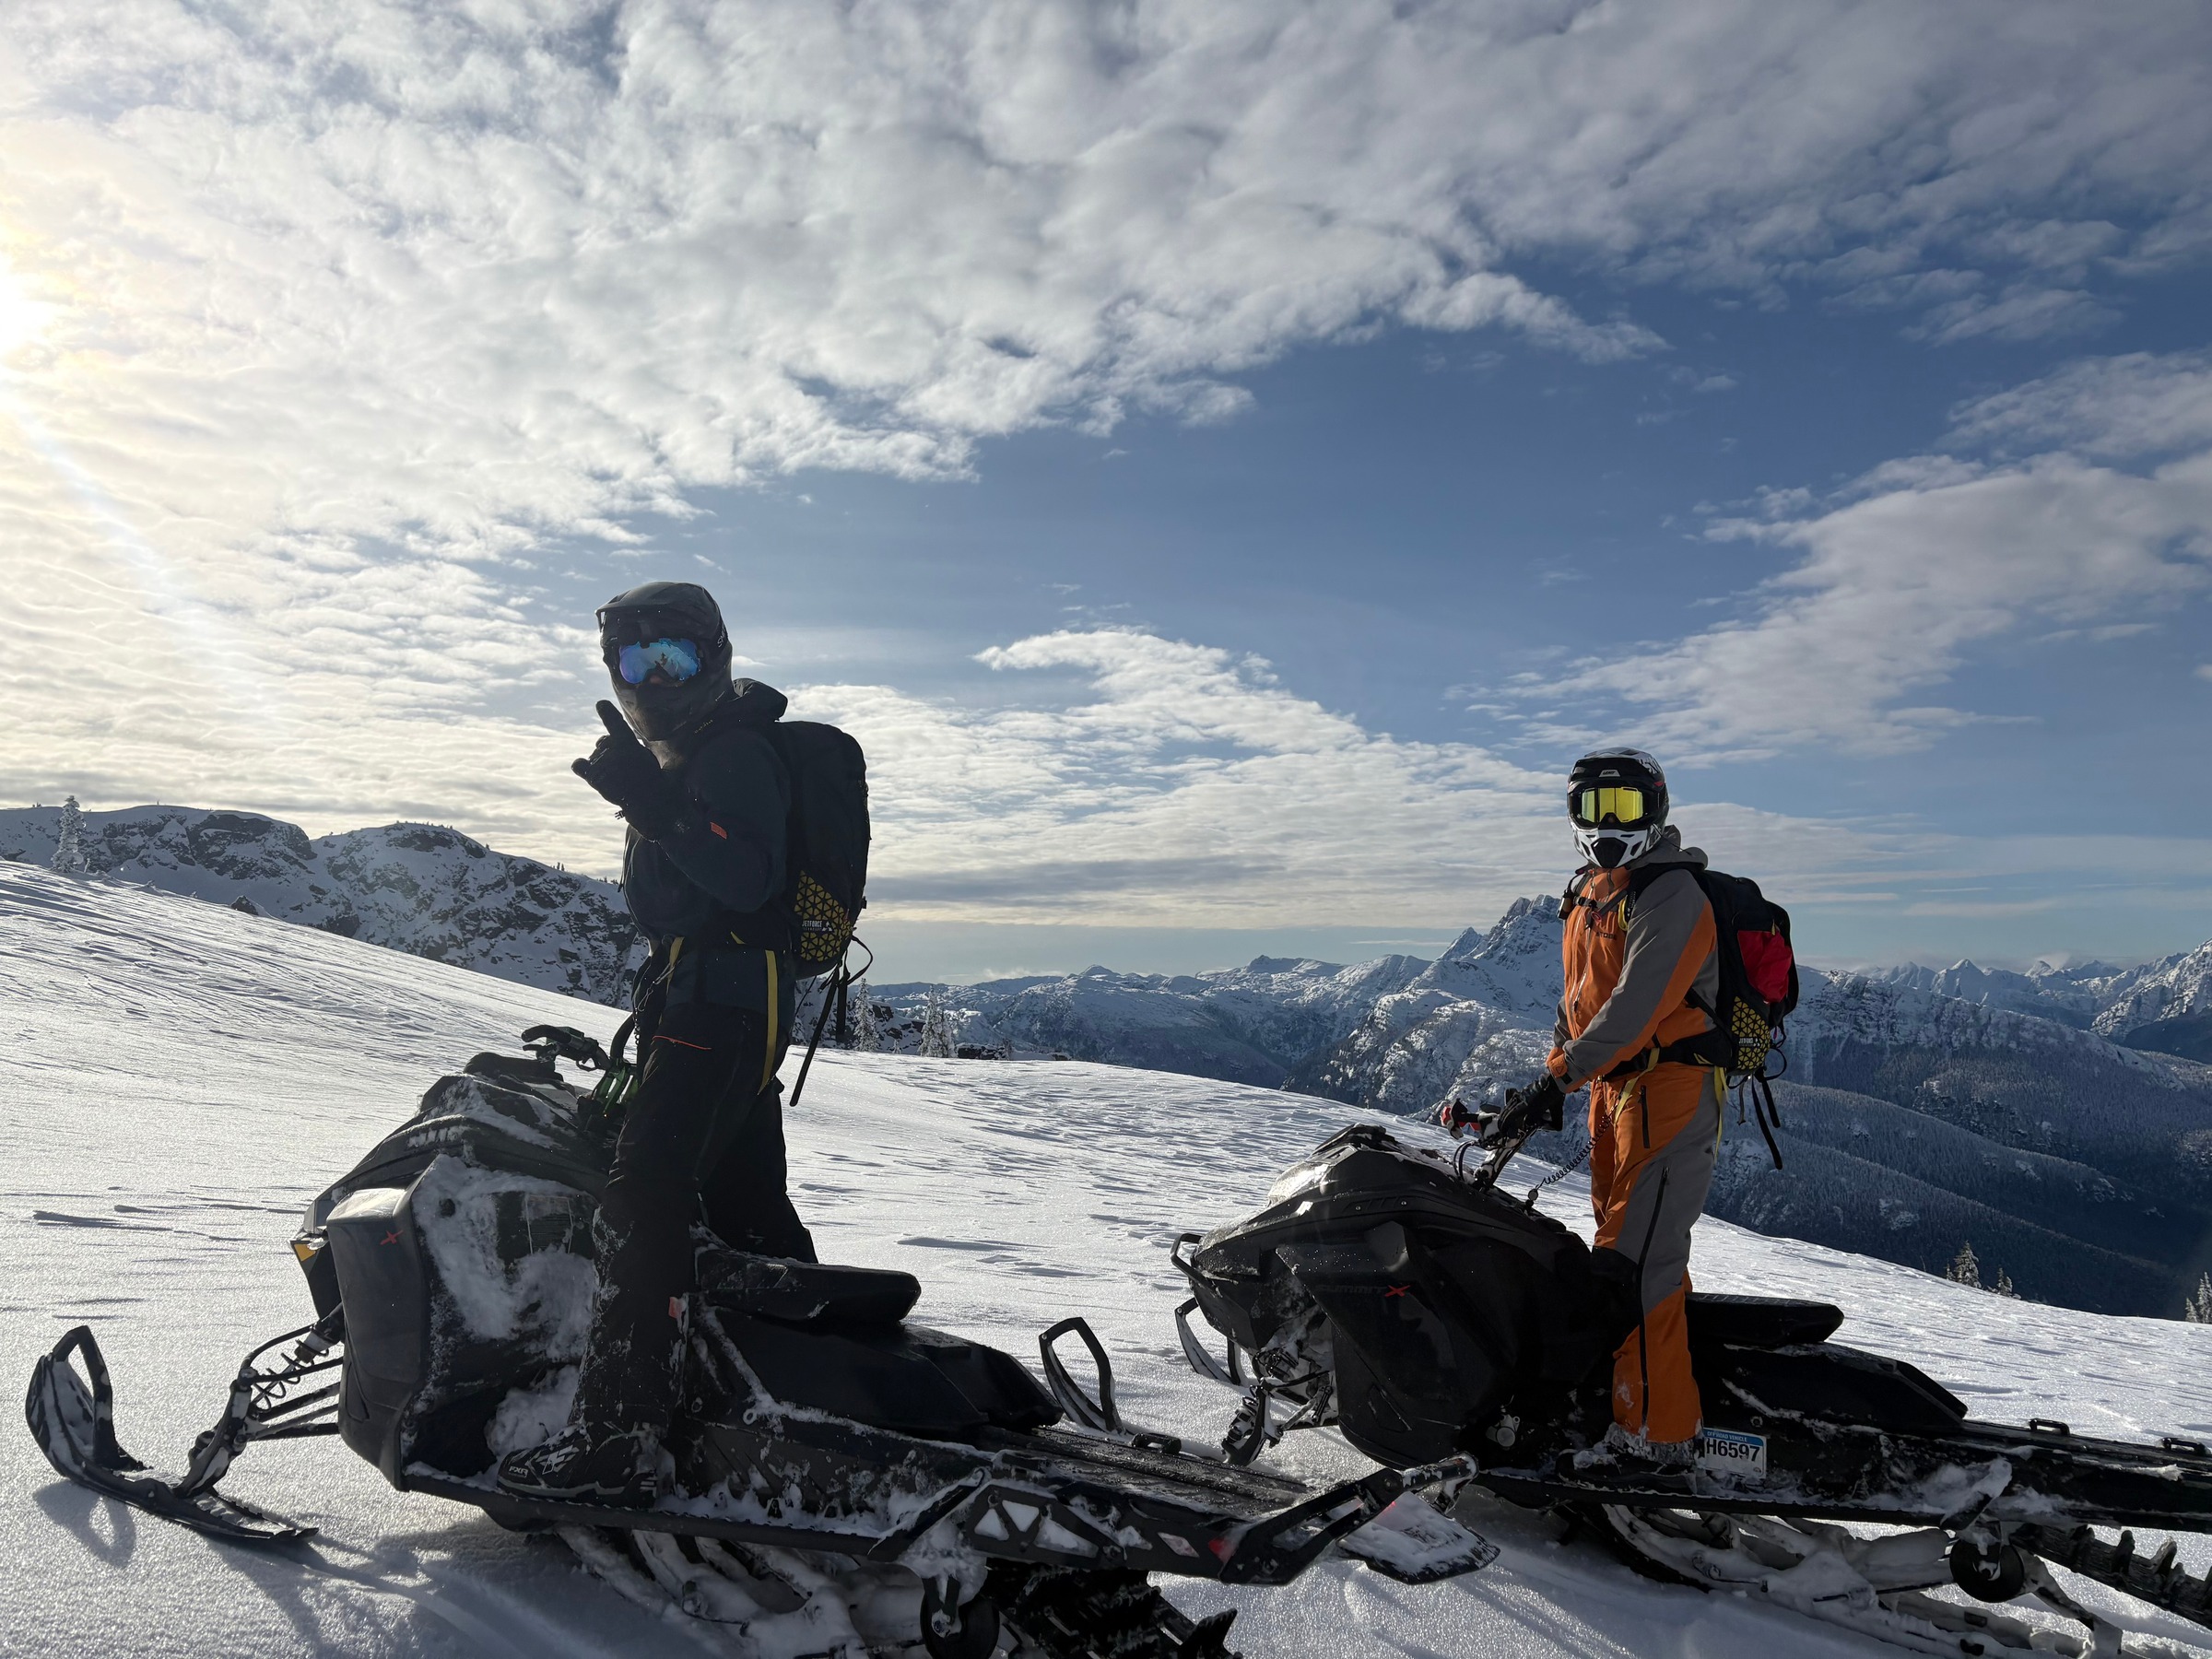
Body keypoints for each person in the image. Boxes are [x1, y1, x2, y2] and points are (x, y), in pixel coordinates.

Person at [499, 580, 816, 1505]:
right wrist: (657, 795)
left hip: (722, 1005)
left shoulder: (735, 752)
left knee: (645, 1196)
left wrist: (654, 803)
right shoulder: (697, 756)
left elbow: (748, 877)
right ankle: (819, 1383)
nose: (654, 681)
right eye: (637, 664)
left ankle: (618, 1434)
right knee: (749, 1208)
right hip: (715, 1002)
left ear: (714, 658)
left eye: (672, 659)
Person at [1488, 747, 1721, 1467]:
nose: (1608, 825)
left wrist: (1555, 1078)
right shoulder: (1589, 894)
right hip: (1613, 1094)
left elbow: (1633, 1011)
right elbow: (1579, 999)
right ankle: (1628, 1397)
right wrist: (1562, 1076)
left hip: (1670, 1091)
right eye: (1594, 809)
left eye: (1623, 809)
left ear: (1656, 811)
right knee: (1619, 1253)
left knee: (1636, 1268)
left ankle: (1657, 1444)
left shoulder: (1672, 897)